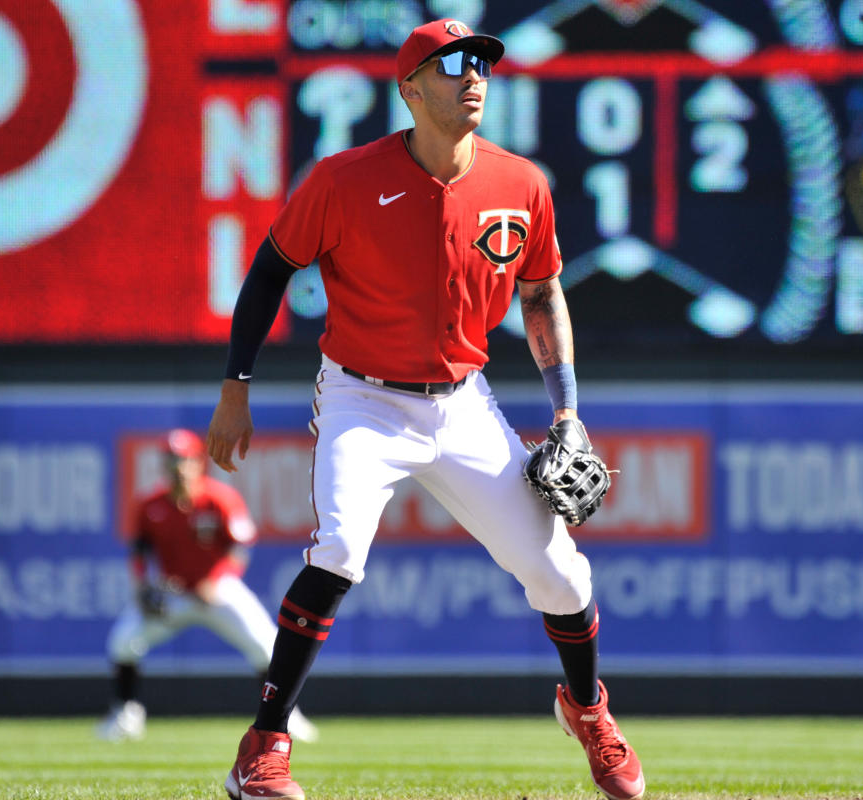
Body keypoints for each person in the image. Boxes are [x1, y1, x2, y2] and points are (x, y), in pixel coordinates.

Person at [206, 18, 644, 800]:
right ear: (410, 89)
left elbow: (541, 294)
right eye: (451, 65)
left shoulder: (521, 183)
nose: (473, 75)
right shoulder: (341, 179)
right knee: (338, 550)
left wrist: (567, 415)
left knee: (560, 574)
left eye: (481, 62)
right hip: (361, 396)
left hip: (462, 402)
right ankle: (263, 747)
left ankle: (588, 711)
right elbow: (270, 271)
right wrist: (235, 387)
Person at [96, 428, 318, 745]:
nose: (178, 466)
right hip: (174, 593)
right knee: (122, 642)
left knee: (267, 645)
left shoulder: (220, 498)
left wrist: (215, 580)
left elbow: (239, 549)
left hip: (218, 590)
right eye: (171, 459)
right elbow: (139, 553)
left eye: (184, 458)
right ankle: (126, 714)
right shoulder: (150, 504)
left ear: (198, 461)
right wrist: (143, 587)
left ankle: (285, 717)